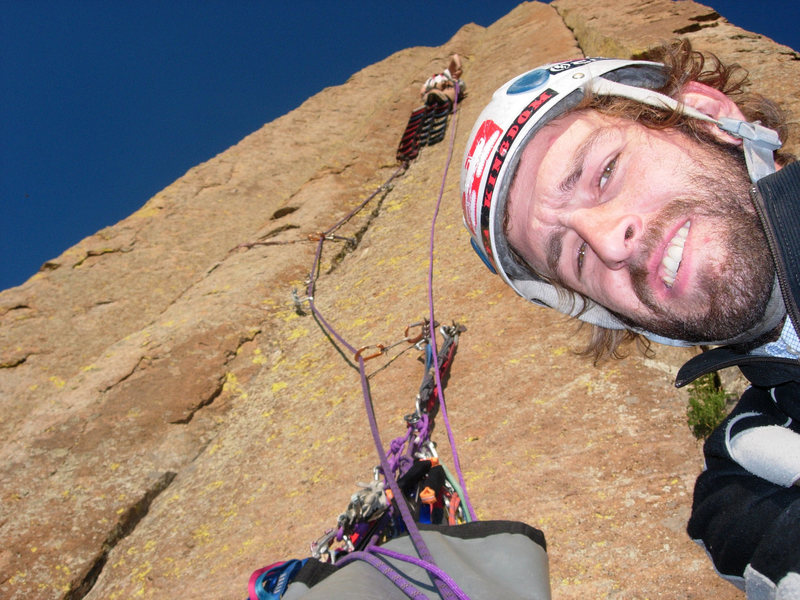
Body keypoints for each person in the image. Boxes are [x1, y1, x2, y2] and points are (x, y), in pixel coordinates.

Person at [460, 39, 800, 599]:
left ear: (711, 118)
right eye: (572, 257)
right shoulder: (741, 483)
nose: (607, 240)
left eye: (605, 171)